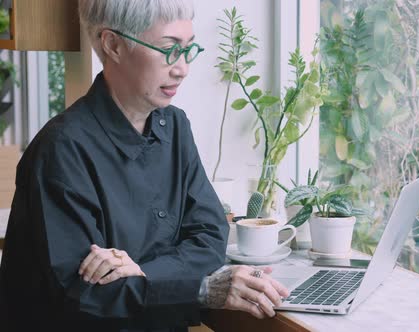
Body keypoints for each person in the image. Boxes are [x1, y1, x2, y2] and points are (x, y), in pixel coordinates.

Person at [0, 0, 289, 330]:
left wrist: (140, 271)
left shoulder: (175, 126)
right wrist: (197, 286)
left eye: (188, 48)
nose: (182, 68)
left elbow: (210, 237)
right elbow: (84, 293)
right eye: (169, 49)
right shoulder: (60, 150)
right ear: (113, 45)